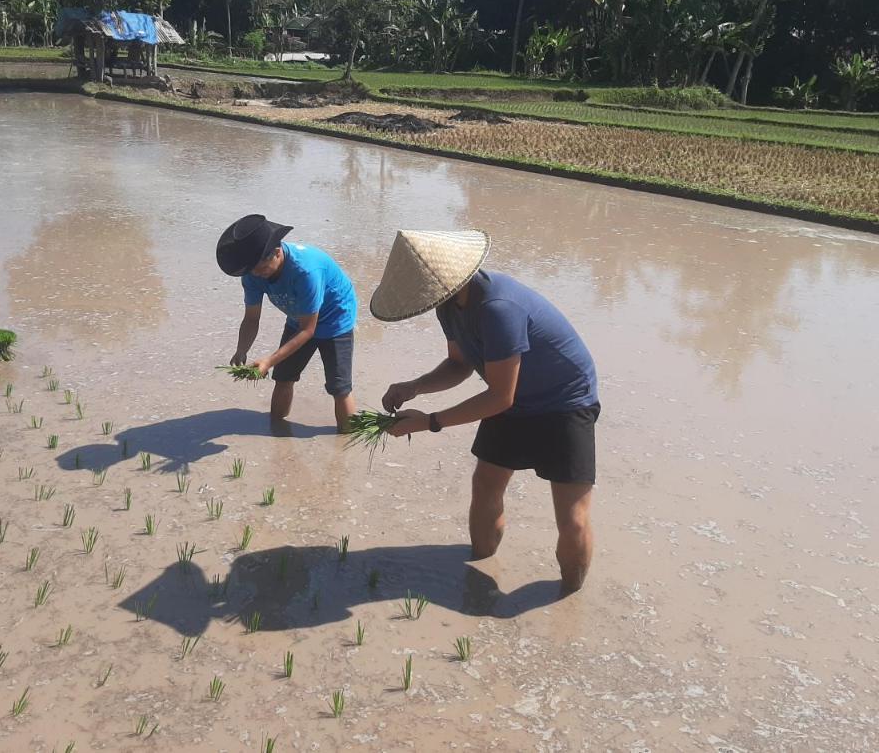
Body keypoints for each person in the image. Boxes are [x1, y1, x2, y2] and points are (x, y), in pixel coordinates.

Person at [371, 229, 600, 595]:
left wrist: (428, 422)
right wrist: (414, 387)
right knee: (485, 485)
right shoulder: (448, 305)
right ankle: (477, 573)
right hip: (513, 396)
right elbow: (458, 364)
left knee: (571, 519)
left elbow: (499, 398)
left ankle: (569, 601)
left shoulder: (498, 308)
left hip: (565, 402)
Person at [217, 215, 358, 431]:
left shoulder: (305, 272)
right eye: (252, 269)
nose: (257, 274)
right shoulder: (252, 274)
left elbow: (308, 330)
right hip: (298, 315)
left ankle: (347, 443)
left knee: (339, 388)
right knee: (283, 377)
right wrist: (241, 349)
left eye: (261, 268)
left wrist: (268, 360)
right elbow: (251, 318)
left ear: (277, 252)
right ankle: (277, 431)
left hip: (335, 318)